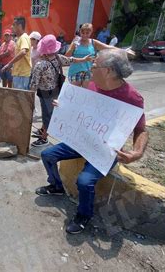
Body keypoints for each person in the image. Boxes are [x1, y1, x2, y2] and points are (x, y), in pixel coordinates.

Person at [36, 49, 149, 234]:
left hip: (106, 149)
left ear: (108, 71)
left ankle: (84, 215)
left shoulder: (132, 98)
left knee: (84, 181)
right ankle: (56, 186)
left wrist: (136, 152)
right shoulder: (93, 86)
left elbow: (141, 129)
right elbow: (84, 113)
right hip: (83, 140)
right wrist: (64, 107)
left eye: (94, 65)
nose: (90, 67)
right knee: (47, 154)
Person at [29, 35, 69, 147]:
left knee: (47, 115)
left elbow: (34, 84)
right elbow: (71, 60)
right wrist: (84, 59)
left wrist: (29, 97)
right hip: (56, 90)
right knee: (48, 113)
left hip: (45, 93)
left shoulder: (40, 64)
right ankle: (43, 130)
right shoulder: (58, 57)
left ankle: (44, 138)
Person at [65, 23, 116, 88]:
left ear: (91, 32)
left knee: (86, 93)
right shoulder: (76, 42)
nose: (84, 35)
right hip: (75, 71)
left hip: (88, 71)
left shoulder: (93, 42)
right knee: (75, 93)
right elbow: (66, 57)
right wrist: (73, 46)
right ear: (80, 31)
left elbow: (107, 47)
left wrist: (123, 51)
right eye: (83, 33)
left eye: (87, 33)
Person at [3, 16, 32, 90]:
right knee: (17, 99)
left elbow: (23, 52)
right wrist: (13, 67)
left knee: (20, 99)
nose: (11, 27)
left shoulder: (23, 37)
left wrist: (9, 64)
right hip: (19, 73)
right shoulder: (20, 38)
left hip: (22, 75)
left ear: (19, 26)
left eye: (14, 25)